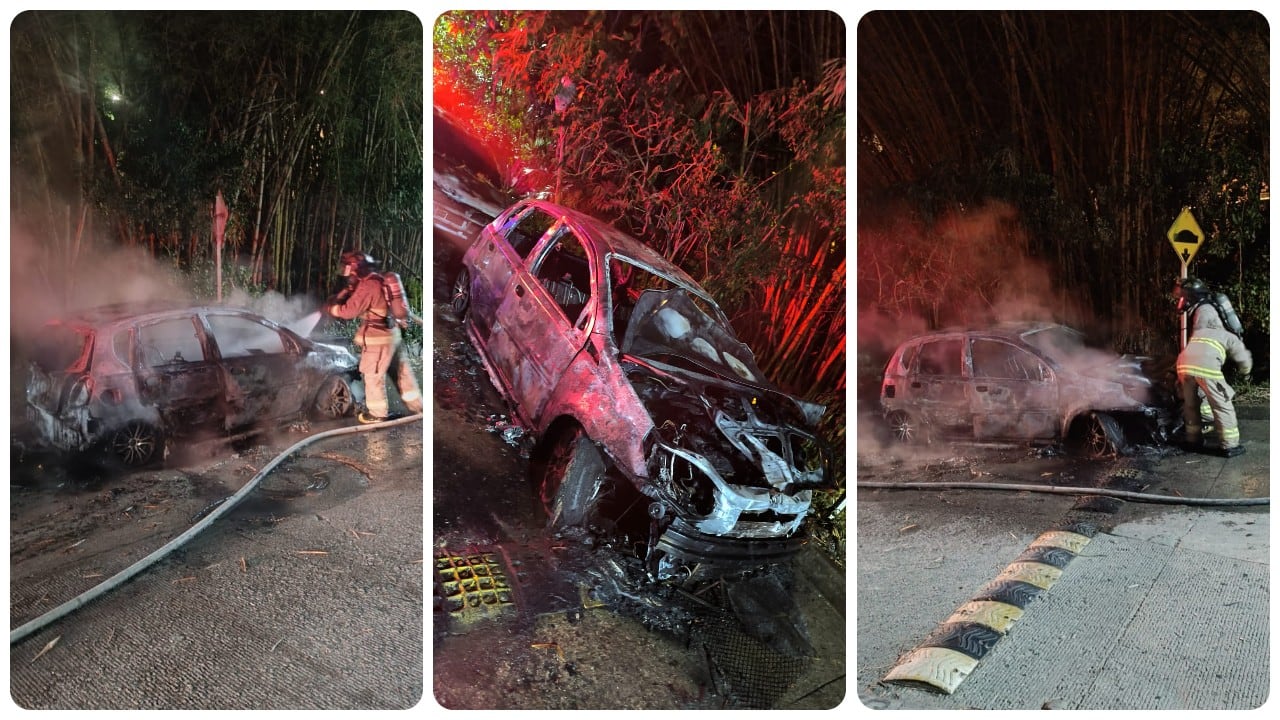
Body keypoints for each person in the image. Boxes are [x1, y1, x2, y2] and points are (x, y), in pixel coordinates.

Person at [325, 250, 423, 423]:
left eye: (350, 269)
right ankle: (418, 408)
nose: (349, 274)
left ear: (357, 268)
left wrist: (332, 309)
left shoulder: (368, 285)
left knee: (372, 375)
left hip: (377, 340)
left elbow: (348, 311)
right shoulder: (380, 281)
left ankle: (377, 414)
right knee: (402, 374)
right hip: (392, 337)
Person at [1173, 278, 1252, 457]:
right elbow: (1243, 357)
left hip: (1184, 363)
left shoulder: (1200, 330)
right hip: (1205, 366)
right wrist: (1246, 372)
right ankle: (1230, 445)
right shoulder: (1227, 335)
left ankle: (1193, 441)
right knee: (1222, 405)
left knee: (1191, 405)